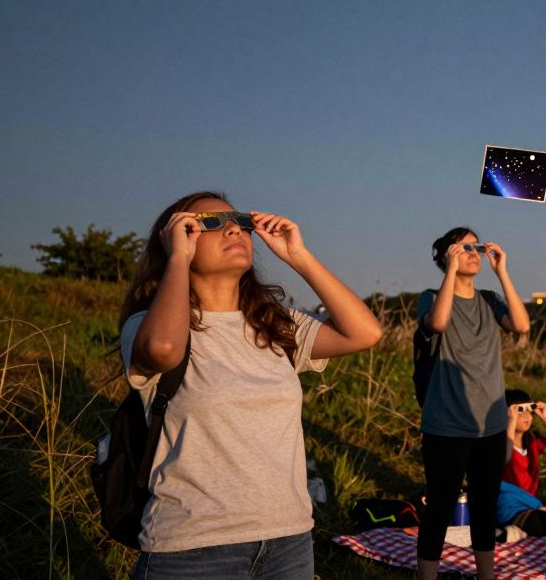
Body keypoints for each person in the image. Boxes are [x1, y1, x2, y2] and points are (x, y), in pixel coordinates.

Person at [119, 191, 383, 579]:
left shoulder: (275, 323)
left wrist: (299, 257)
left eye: (240, 221)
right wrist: (178, 259)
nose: (233, 229)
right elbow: (161, 349)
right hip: (193, 548)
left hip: (288, 540)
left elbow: (366, 332)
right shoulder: (147, 325)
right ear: (175, 237)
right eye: (210, 222)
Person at [414, 228, 530, 580]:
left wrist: (503, 271)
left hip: (491, 424)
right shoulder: (430, 297)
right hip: (446, 424)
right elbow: (439, 323)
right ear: (447, 255)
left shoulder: (490, 298)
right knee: (440, 506)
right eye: (464, 247)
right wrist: (450, 270)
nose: (474, 252)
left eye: (476, 246)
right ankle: (427, 576)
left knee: (484, 507)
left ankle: (486, 575)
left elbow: (521, 324)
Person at [496, 389, 546, 538]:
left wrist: (545, 418)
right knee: (544, 523)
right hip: (508, 506)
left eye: (529, 410)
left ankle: (510, 533)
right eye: (519, 411)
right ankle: (507, 531)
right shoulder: (498, 443)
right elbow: (505, 456)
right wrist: (510, 421)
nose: (526, 416)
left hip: (530, 506)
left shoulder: (532, 441)